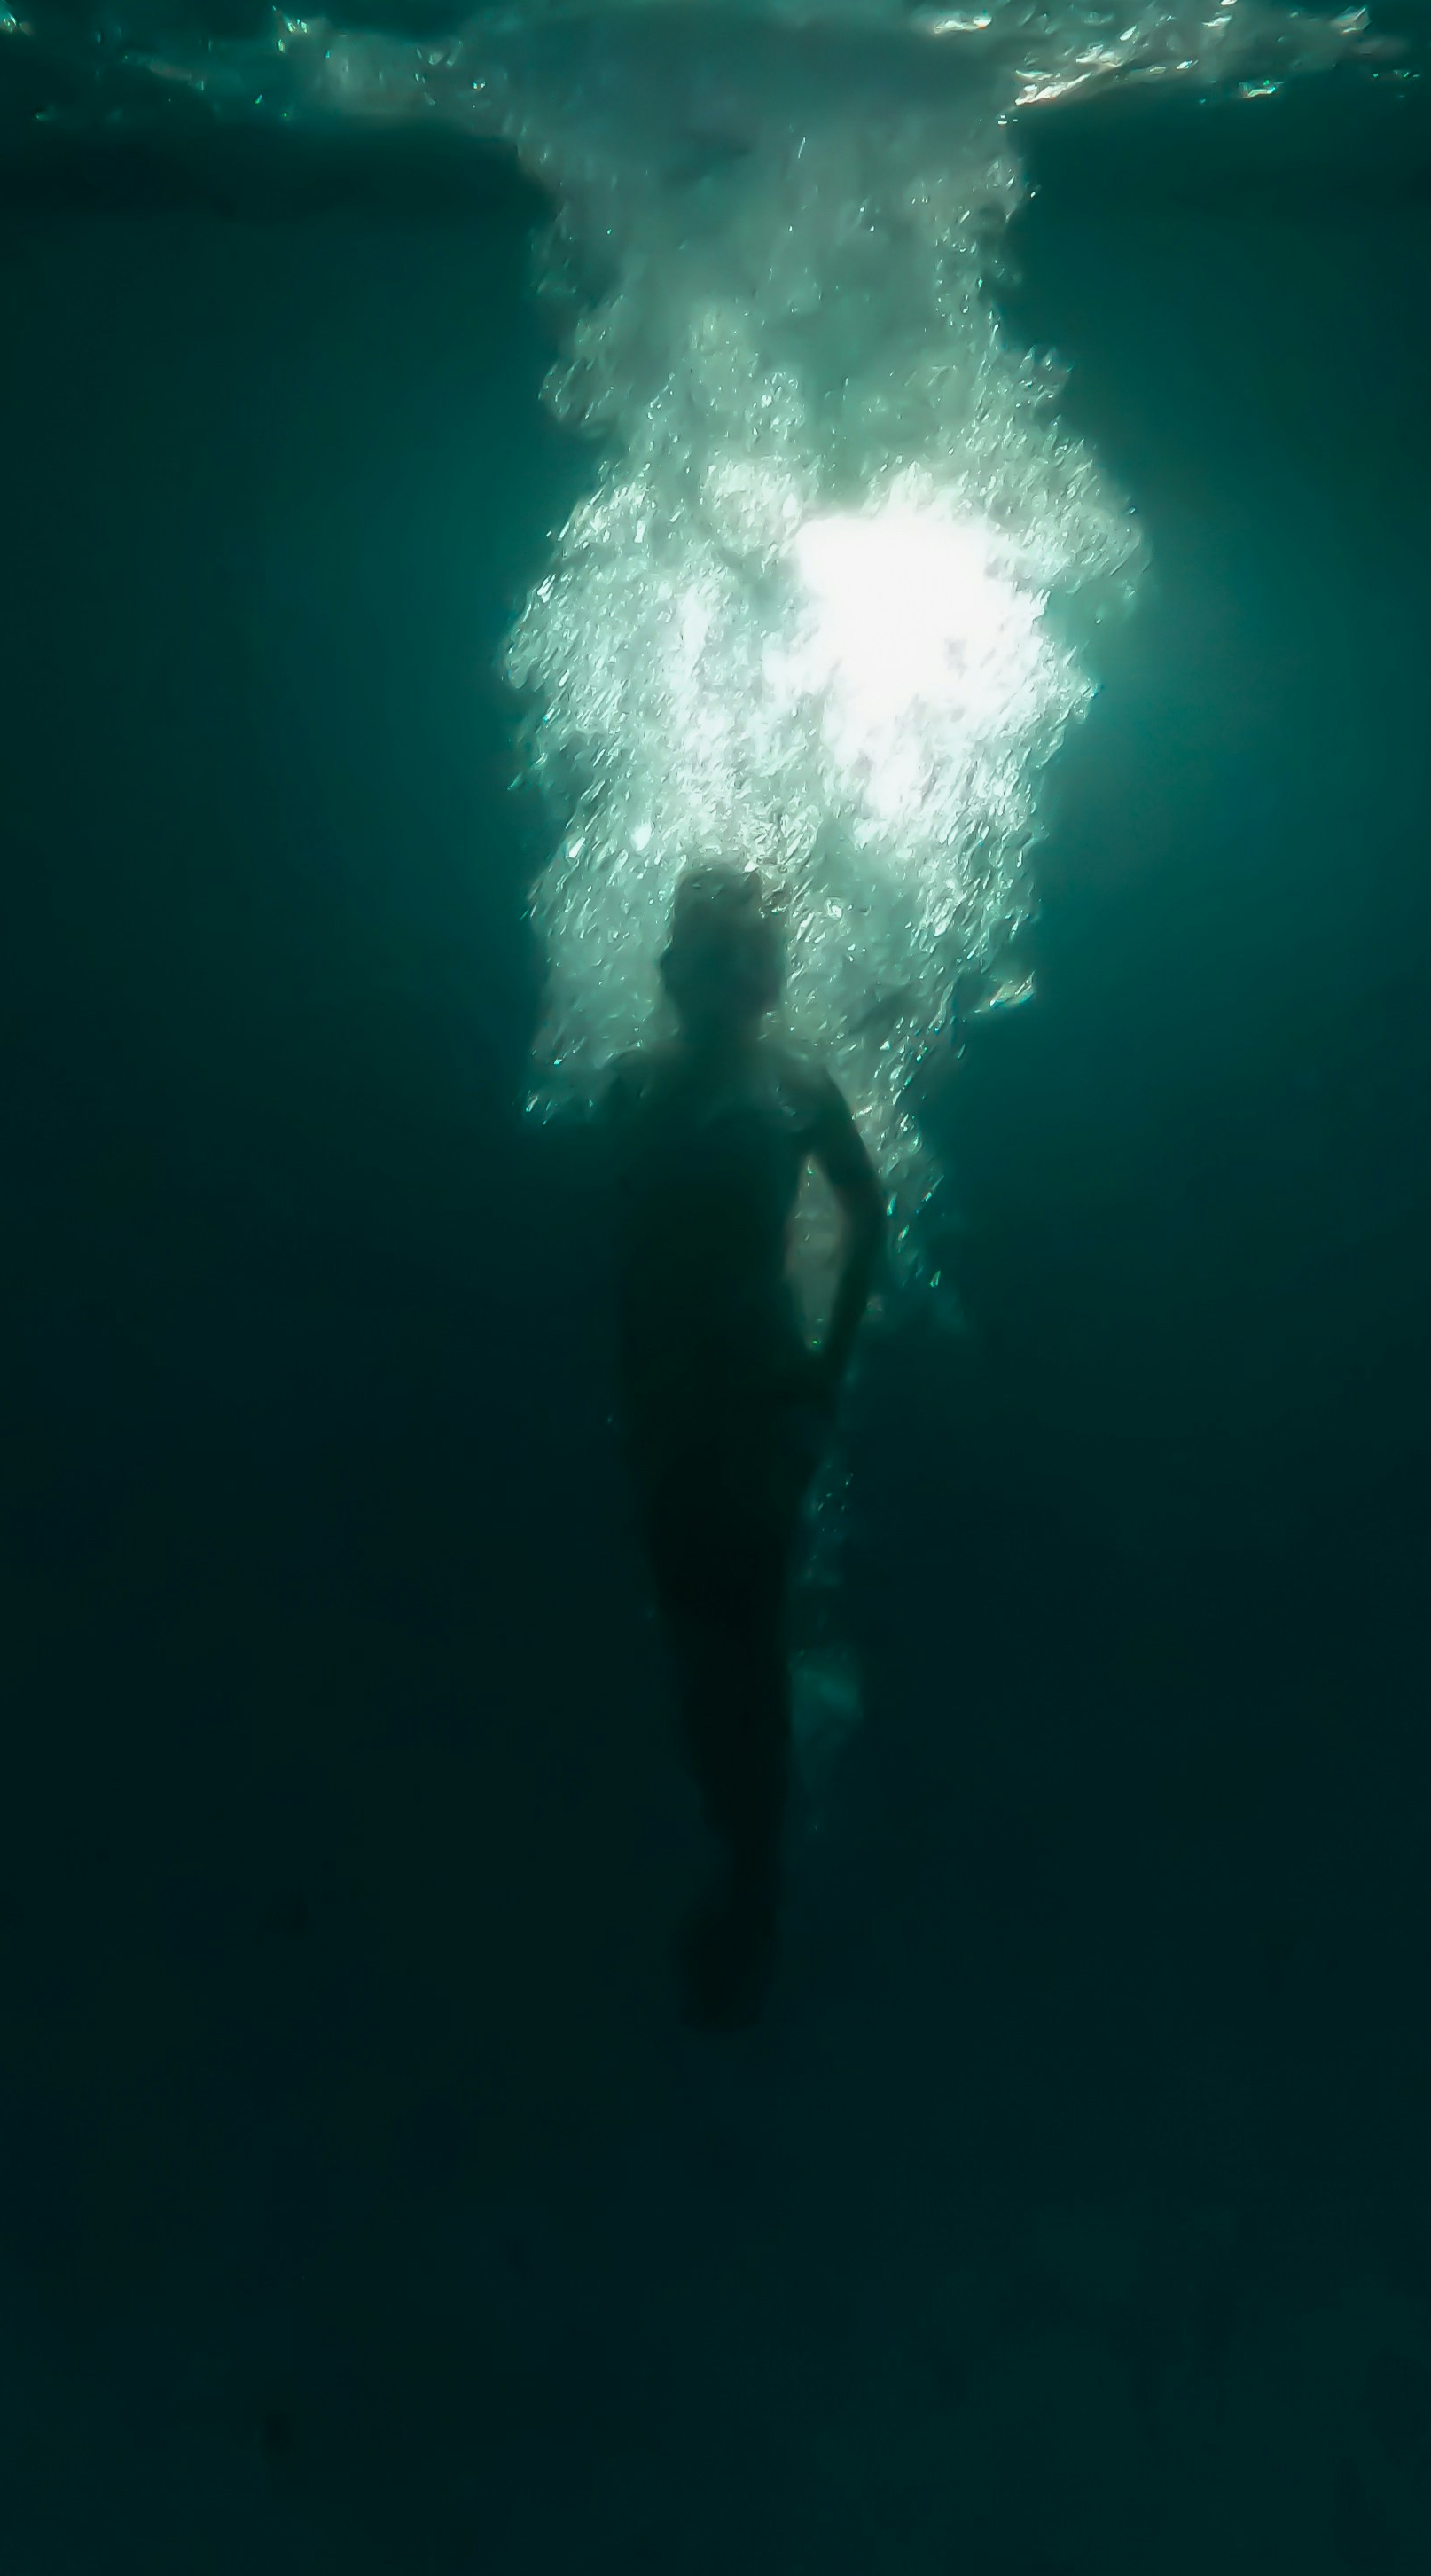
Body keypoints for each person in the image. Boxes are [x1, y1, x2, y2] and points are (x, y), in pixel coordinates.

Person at [604, 865, 889, 2028]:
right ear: (675, 972)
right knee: (694, 1647)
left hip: (758, 1404)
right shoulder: (630, 1086)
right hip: (671, 1409)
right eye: (708, 955)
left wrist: (827, 1360)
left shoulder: (796, 1084)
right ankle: (736, 1858)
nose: (731, 977)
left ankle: (757, 1888)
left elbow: (870, 1211)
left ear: (768, 975)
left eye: (749, 955)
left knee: (753, 1639)